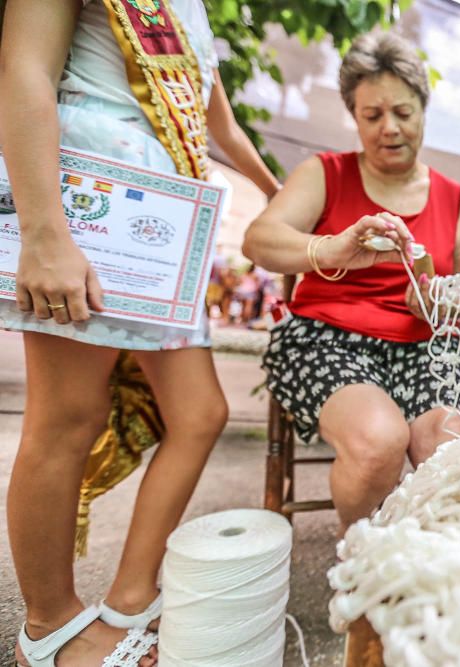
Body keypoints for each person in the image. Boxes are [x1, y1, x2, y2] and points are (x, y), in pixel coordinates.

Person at [0, 1, 276, 664]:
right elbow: (24, 68)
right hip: (92, 200)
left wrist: (287, 196)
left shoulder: (196, 8)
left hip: (166, 226)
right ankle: (50, 627)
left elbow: (221, 126)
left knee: (200, 411)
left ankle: (128, 598)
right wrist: (43, 233)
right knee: (67, 416)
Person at [243, 31, 460, 538]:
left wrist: (436, 299)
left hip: (422, 348)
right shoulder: (325, 173)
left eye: (403, 112)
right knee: (378, 443)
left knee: (449, 455)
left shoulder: (454, 197)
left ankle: (418, 559)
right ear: (354, 116)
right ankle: (361, 566)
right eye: (372, 116)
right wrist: (329, 249)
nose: (389, 129)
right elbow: (259, 240)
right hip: (326, 340)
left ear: (423, 110)